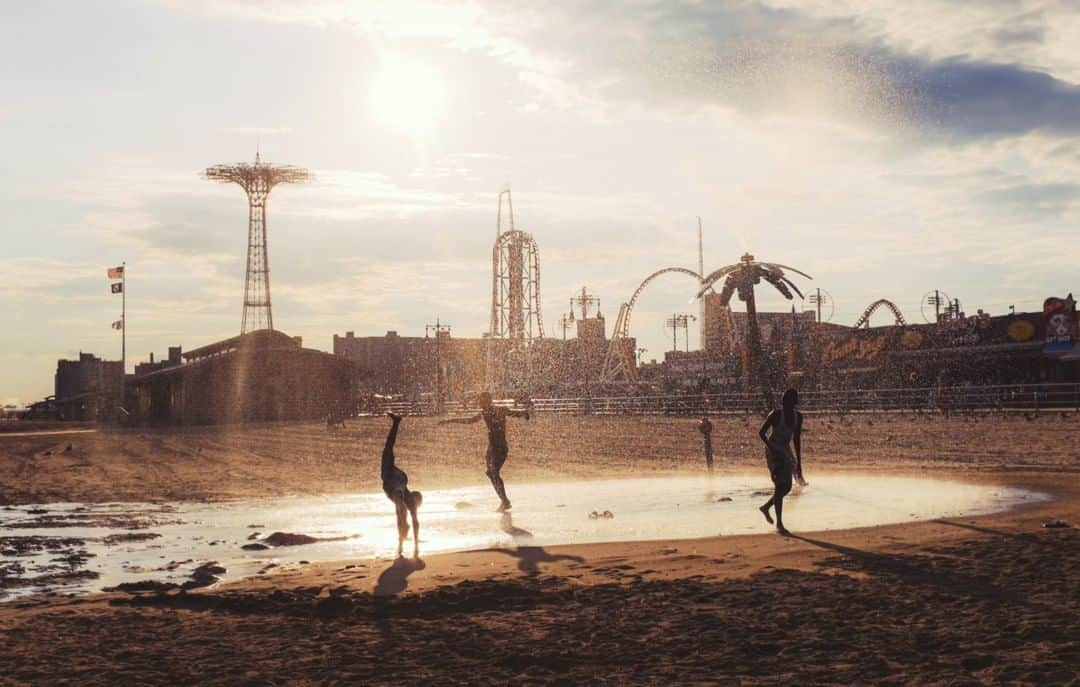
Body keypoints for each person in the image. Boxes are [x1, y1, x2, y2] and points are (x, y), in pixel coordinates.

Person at [439, 392, 530, 511]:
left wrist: (524, 413)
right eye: (480, 402)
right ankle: (504, 501)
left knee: (493, 473)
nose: (480, 404)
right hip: (492, 448)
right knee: (491, 473)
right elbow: (469, 421)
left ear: (488, 401)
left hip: (500, 448)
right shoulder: (489, 412)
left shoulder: (499, 410)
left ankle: (505, 501)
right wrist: (450, 421)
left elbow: (516, 413)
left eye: (481, 402)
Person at [757, 388, 805, 535]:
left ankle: (766, 507)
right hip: (773, 450)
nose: (785, 404)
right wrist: (771, 447)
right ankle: (779, 524)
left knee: (788, 487)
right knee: (780, 486)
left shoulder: (798, 417)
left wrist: (799, 463)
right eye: (784, 401)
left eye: (788, 401)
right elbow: (761, 433)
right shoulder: (776, 414)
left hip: (785, 450)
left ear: (793, 403)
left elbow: (796, 440)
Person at [381, 412, 422, 558]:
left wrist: (412, 544)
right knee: (388, 448)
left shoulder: (406, 497)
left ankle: (396, 422)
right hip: (392, 478)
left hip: (390, 477)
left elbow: (402, 510)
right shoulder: (408, 496)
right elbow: (412, 519)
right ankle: (396, 422)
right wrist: (416, 546)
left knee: (388, 448)